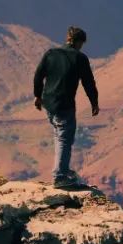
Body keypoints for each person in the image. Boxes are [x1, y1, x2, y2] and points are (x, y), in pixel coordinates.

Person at [33, 26, 100, 187]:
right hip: (65, 105)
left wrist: (37, 96)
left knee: (59, 136)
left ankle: (61, 169)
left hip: (49, 103)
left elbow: (38, 75)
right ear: (79, 42)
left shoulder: (51, 53)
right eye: (81, 44)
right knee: (64, 139)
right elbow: (88, 83)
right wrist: (94, 102)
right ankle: (60, 176)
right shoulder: (80, 58)